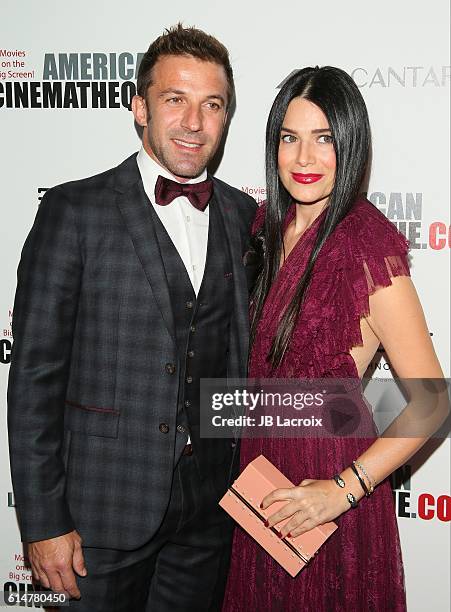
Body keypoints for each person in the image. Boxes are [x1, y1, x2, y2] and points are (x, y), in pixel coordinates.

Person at [7, 24, 257, 612]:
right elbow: (35, 379)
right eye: (176, 100)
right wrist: (43, 522)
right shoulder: (75, 210)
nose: (194, 123)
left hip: (208, 515)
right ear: (140, 107)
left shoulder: (244, 216)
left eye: (211, 105)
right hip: (98, 517)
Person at [222, 66, 446, 611]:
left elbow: (433, 401)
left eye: (324, 140)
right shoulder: (262, 228)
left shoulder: (367, 249)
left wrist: (340, 491)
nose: (303, 160)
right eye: (289, 138)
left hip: (325, 496)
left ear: (351, 145)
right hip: (256, 482)